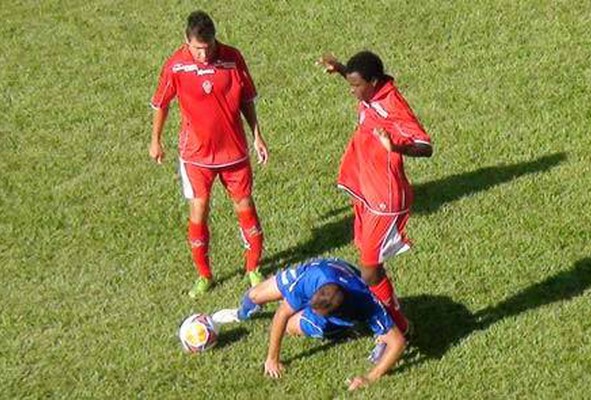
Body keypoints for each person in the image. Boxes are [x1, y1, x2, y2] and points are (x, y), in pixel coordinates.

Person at [149, 10, 269, 297]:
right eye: (198, 49)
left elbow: (247, 99)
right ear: (186, 41)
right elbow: (161, 103)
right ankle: (204, 275)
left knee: (245, 207)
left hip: (234, 154)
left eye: (209, 47)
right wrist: (155, 140)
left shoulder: (232, 58)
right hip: (195, 157)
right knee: (199, 212)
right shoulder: (176, 66)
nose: (204, 55)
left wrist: (257, 136)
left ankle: (253, 268)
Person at [316, 51, 433, 333]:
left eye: (357, 85)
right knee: (370, 264)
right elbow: (358, 81)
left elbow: (425, 146)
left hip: (386, 200)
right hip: (367, 192)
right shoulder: (370, 92)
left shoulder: (392, 105)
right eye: (350, 85)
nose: (353, 91)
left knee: (369, 270)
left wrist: (395, 147)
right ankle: (387, 316)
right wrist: (341, 68)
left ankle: (397, 328)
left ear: (374, 81)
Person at [212, 258, 408, 391]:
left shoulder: (366, 303)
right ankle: (240, 314)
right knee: (255, 295)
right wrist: (272, 359)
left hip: (341, 313)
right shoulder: (312, 278)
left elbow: (398, 342)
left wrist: (369, 378)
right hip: (316, 273)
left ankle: (342, 330)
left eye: (315, 310)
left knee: (290, 326)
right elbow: (280, 313)